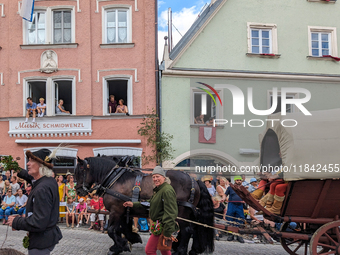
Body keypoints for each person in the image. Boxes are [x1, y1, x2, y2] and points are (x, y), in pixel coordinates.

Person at [8, 149, 62, 254]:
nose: (27, 163)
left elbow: (39, 221)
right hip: (46, 237)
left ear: (41, 165)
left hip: (41, 241)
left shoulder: (42, 189)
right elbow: (30, 177)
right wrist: (16, 169)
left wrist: (17, 222)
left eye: (31, 161)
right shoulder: (47, 181)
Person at [123, 166, 179, 255]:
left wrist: (167, 233)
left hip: (162, 226)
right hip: (160, 225)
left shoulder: (167, 190)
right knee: (164, 250)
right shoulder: (159, 190)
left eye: (158, 176)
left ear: (164, 177)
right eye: (153, 177)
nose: (155, 179)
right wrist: (133, 204)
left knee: (149, 250)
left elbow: (171, 213)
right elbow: (151, 202)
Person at [225, 176, 245, 243]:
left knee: (239, 220)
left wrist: (245, 200)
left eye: (240, 180)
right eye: (237, 180)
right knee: (230, 219)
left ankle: (239, 235)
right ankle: (231, 235)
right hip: (231, 205)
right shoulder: (230, 187)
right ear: (235, 181)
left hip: (239, 206)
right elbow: (225, 195)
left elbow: (247, 196)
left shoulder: (243, 188)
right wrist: (223, 198)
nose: (239, 181)